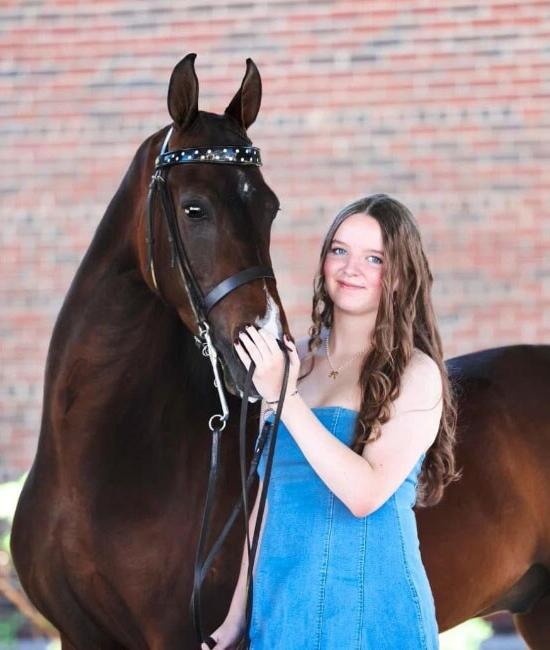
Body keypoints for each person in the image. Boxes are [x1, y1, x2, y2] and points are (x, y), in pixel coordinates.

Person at [201, 193, 460, 650]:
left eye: (374, 258)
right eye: (339, 250)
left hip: (371, 611)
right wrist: (236, 615)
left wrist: (286, 398)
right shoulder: (293, 360)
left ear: (399, 275)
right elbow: (266, 499)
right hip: (283, 610)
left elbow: (364, 495)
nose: (350, 268)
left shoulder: (416, 374)